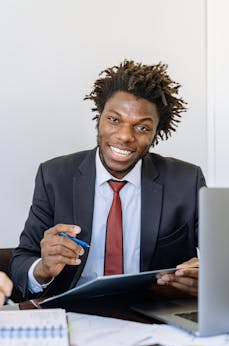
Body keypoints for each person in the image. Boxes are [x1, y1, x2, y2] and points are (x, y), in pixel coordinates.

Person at [10, 60, 206, 300]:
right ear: (99, 117)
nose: (125, 136)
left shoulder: (187, 180)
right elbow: (21, 262)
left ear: (156, 132)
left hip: (155, 313)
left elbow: (221, 260)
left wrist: (207, 276)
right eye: (114, 120)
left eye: (142, 128)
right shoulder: (54, 175)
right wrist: (42, 269)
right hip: (75, 310)